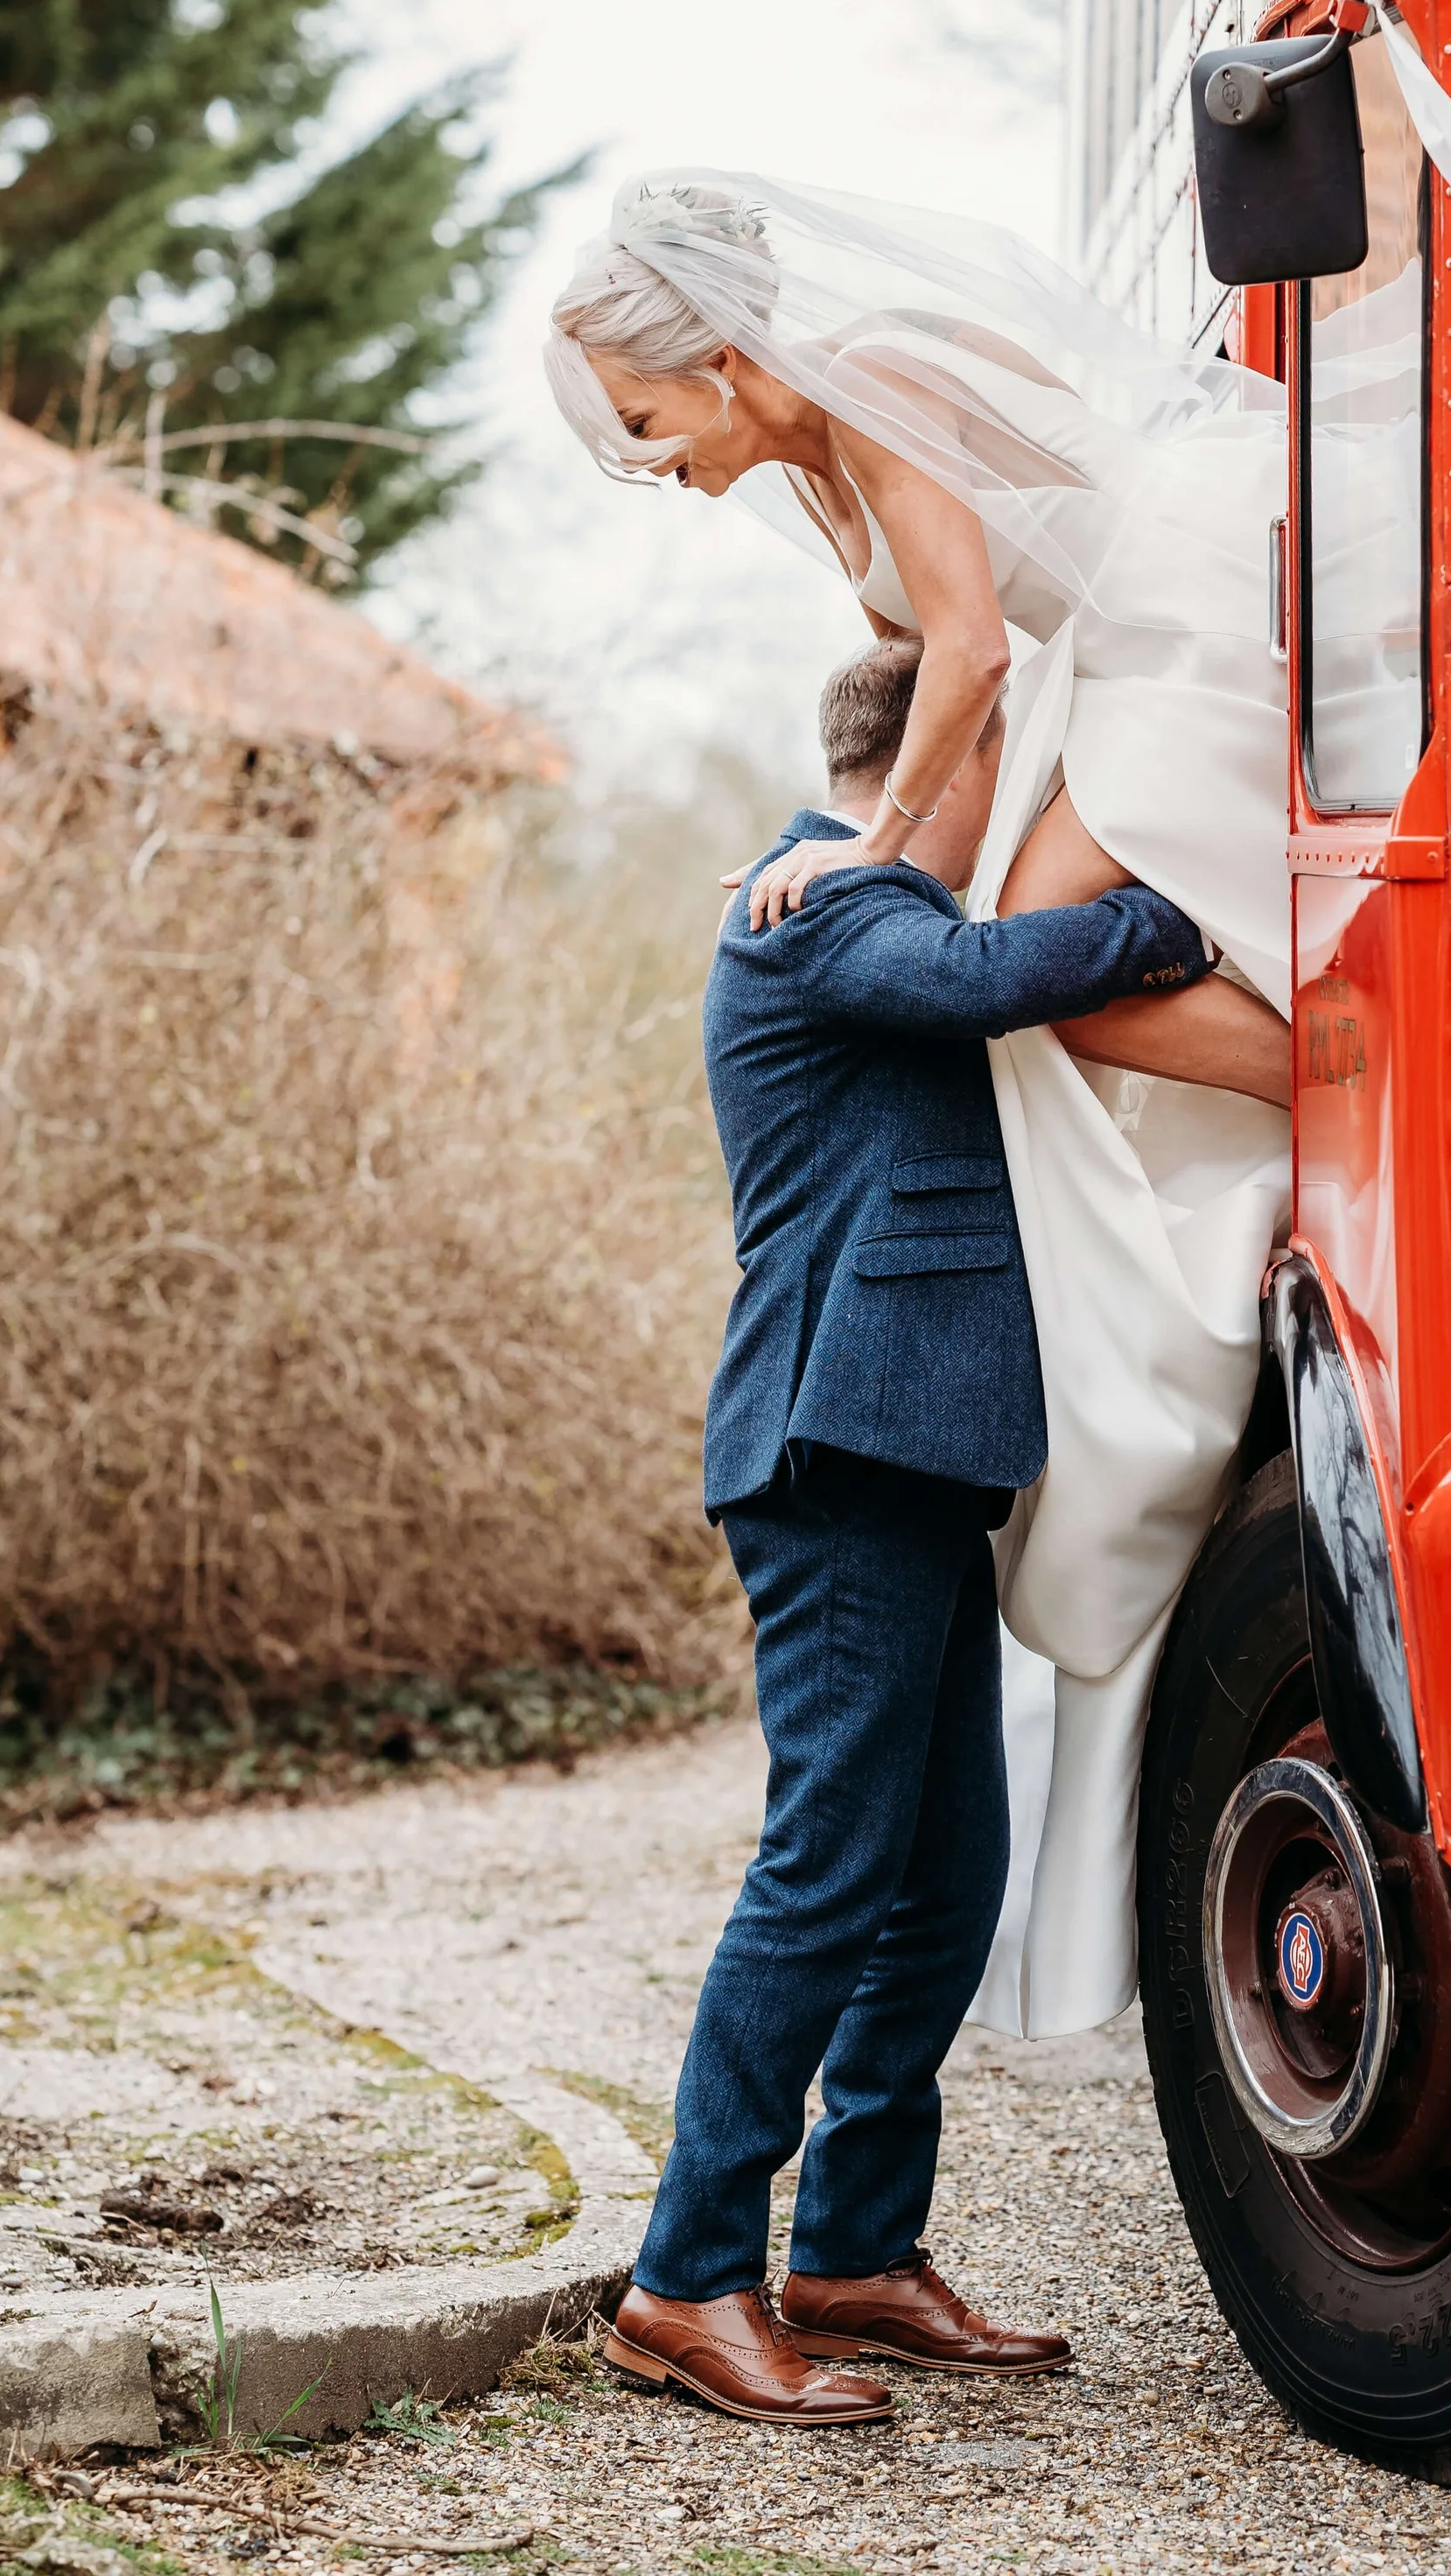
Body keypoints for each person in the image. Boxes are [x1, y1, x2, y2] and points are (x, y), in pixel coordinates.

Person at [545, 173, 1299, 2035]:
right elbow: (944, 656)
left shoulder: (872, 371)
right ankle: (1326, 1066)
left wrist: (872, 855)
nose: (659, 471)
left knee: (1048, 955)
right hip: (1089, 665)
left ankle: (1352, 1062)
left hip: (1171, 612)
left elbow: (960, 653)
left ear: (720, 361)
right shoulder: (801, 460)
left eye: (650, 430)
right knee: (1068, 1002)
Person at [598, 637, 1214, 2427]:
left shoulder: (862, 901)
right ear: (949, 760)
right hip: (835, 1447)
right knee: (822, 1872)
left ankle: (854, 2252)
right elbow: (1010, 970)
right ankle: (683, 2278)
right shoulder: (817, 900)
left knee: (938, 1888)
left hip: (917, 1458)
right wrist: (1194, 892)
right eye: (1010, 772)